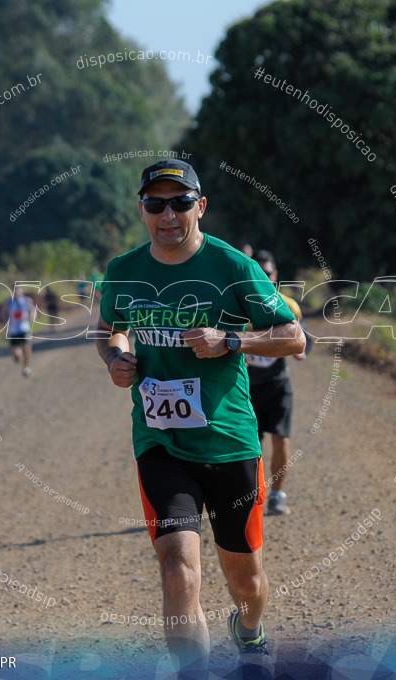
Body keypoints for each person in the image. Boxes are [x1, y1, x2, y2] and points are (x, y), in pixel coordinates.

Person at [95, 159, 305, 676]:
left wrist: (231, 340)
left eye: (180, 202)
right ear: (142, 209)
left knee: (245, 584)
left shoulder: (233, 267)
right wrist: (115, 356)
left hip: (230, 442)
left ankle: (250, 631)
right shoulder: (123, 271)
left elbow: (294, 337)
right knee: (177, 570)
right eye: (155, 204)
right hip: (161, 444)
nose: (168, 214)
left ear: (200, 207)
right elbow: (108, 329)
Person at [247, 250, 306, 516]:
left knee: (281, 438)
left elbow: (303, 343)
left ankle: (277, 495)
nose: (264, 278)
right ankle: (251, 495)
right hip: (246, 386)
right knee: (251, 446)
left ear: (275, 275)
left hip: (277, 383)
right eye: (258, 272)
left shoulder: (288, 306)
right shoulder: (238, 304)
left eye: (268, 273)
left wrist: (298, 349)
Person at [6, 286, 36, 377]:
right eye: (15, 292)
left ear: (21, 292)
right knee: (16, 353)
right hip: (14, 330)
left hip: (24, 329)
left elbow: (33, 310)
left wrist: (32, 316)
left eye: (18, 292)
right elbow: (6, 314)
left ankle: (26, 367)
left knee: (27, 349)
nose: (17, 294)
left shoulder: (27, 300)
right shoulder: (9, 302)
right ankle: (17, 356)